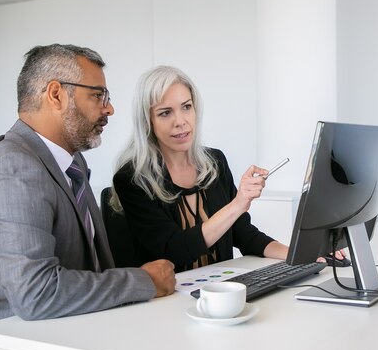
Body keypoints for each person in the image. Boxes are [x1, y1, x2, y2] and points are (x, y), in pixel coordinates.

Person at [0, 45, 176, 350]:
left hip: (62, 329)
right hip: (4, 341)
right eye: (99, 95)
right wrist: (143, 281)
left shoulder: (72, 162)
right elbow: (36, 294)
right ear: (56, 95)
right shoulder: (12, 166)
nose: (110, 109)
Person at [111, 66, 289, 272]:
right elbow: (174, 250)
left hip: (218, 291)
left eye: (186, 107)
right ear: (147, 122)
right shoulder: (131, 180)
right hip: (167, 298)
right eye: (165, 113)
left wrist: (301, 255)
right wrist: (237, 204)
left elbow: (245, 235)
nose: (180, 122)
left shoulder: (215, 162)